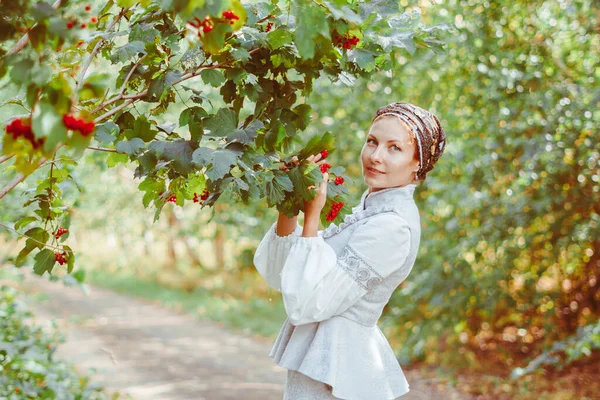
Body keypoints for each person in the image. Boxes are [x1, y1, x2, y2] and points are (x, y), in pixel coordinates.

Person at [253, 102, 447, 399]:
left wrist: (313, 214)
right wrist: (291, 202)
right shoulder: (369, 211)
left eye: (395, 148)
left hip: (339, 370)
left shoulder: (392, 227)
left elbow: (307, 305)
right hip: (320, 366)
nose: (376, 156)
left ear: (417, 163)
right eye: (372, 141)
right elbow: (284, 276)